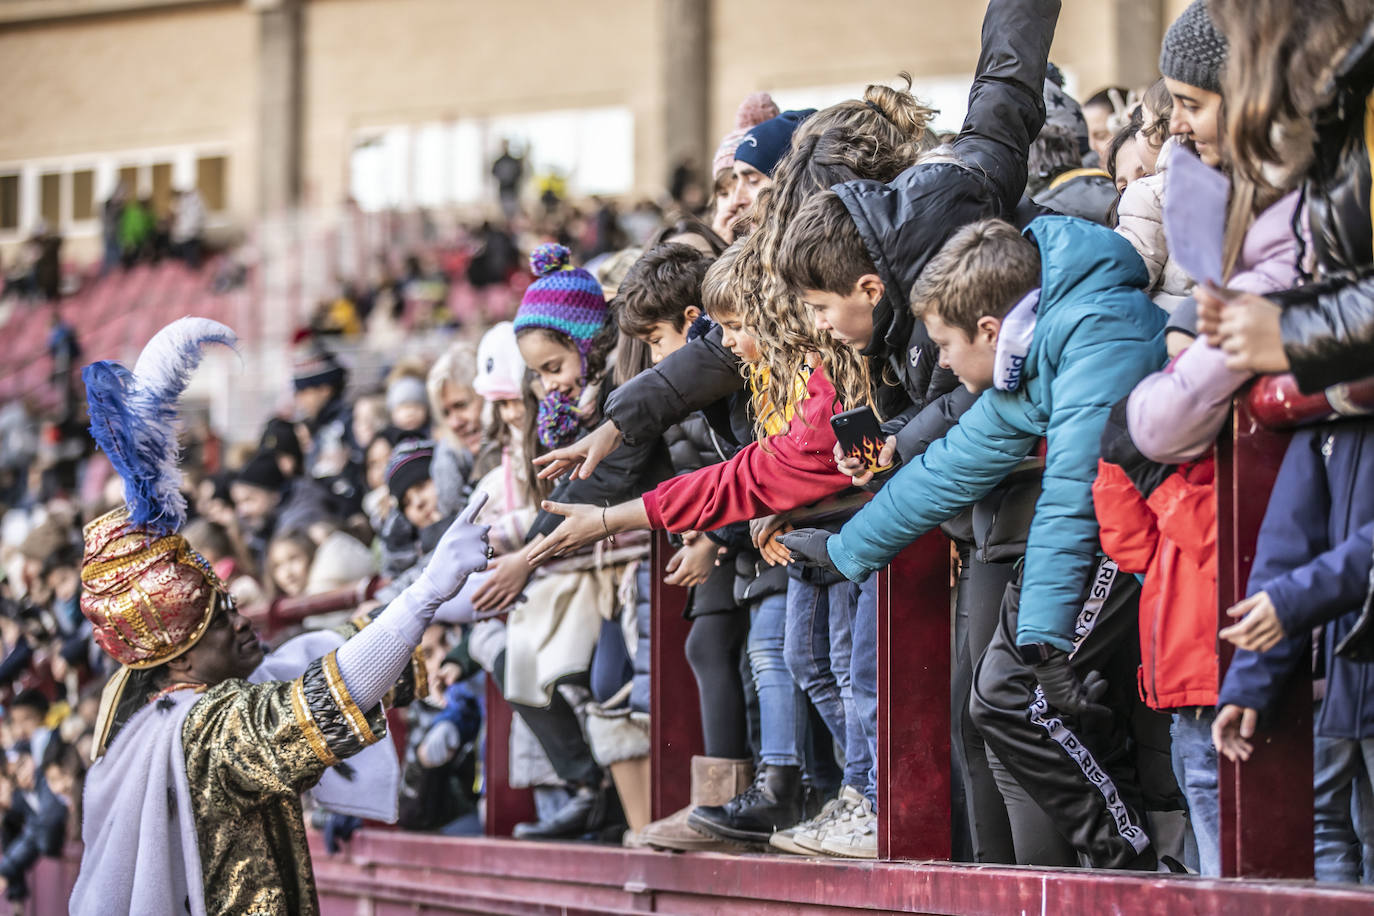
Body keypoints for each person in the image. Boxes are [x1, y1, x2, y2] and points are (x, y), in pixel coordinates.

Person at [780, 216, 1166, 870]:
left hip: (1120, 536)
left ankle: (1131, 868)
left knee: (1013, 695)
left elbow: (1075, 496)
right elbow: (959, 459)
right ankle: (1125, 864)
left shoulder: (1096, 331)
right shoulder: (1039, 336)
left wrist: (1044, 645)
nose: (948, 368)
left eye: (948, 347)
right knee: (999, 697)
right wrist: (848, 549)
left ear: (990, 330)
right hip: (1094, 539)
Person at [69, 317, 491, 916]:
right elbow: (319, 698)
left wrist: (428, 604)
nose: (244, 623)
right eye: (221, 620)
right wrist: (424, 592)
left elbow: (310, 658)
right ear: (180, 657)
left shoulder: (143, 705)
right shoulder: (207, 730)